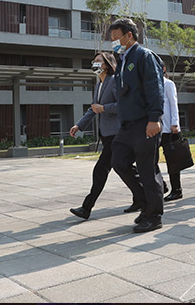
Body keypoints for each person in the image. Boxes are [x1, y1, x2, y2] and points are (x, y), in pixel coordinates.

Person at [108, 18, 165, 233]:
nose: (114, 43)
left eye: (116, 38)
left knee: (147, 170)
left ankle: (154, 215)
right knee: (119, 161)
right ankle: (144, 202)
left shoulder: (144, 56)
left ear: (129, 35)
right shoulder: (122, 60)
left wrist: (154, 118)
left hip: (145, 123)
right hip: (127, 125)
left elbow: (154, 88)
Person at [69, 52, 125, 220]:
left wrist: (104, 108)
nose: (95, 64)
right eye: (93, 62)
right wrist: (79, 125)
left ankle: (86, 208)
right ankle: (143, 196)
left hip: (116, 133)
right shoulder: (98, 84)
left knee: (102, 170)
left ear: (107, 64)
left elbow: (123, 105)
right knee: (124, 168)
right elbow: (93, 108)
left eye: (98, 61)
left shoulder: (115, 81)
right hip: (106, 135)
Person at [158, 63, 183, 201]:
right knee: (150, 159)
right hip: (156, 129)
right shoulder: (151, 85)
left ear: (163, 69)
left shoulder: (168, 84)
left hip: (168, 129)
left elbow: (173, 104)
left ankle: (177, 190)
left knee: (172, 161)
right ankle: (162, 184)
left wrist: (175, 124)